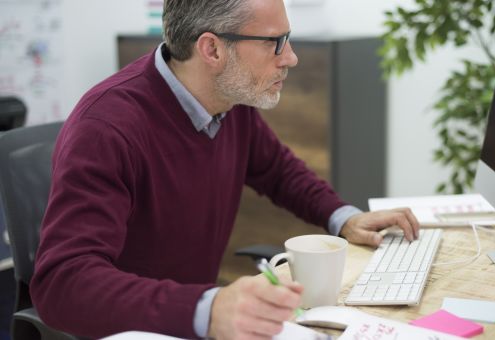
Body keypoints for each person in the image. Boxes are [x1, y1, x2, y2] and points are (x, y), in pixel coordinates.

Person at [30, 0, 420, 339]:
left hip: (197, 321)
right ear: (212, 49)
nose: (291, 57)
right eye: (274, 42)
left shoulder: (229, 101)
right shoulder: (107, 128)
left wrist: (344, 217)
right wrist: (208, 307)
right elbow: (61, 284)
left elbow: (278, 170)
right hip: (138, 331)